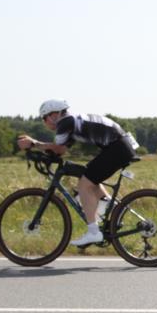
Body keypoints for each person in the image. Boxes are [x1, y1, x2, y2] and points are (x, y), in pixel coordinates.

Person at [16, 99, 139, 246]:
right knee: (86, 175)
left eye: (44, 118)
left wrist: (33, 143)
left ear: (54, 115)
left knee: (84, 186)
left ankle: (94, 232)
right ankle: (108, 207)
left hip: (118, 148)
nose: (44, 122)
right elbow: (61, 150)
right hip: (118, 146)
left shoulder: (65, 121)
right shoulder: (71, 122)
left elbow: (56, 148)